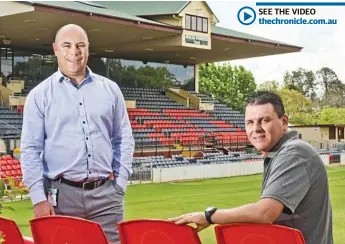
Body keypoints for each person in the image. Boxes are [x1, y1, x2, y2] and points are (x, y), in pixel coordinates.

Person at [168, 91, 333, 244]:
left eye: (265, 120)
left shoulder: (293, 152)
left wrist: (209, 216)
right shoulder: (280, 152)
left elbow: (264, 213)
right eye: (250, 122)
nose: (256, 129)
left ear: (284, 122)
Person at [20, 24, 135, 243]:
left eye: (80, 45)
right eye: (67, 45)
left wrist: (119, 184)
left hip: (106, 196)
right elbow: (30, 150)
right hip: (60, 198)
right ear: (56, 49)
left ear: (88, 48)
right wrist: (38, 200)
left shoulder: (110, 90)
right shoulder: (39, 96)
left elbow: (123, 138)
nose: (75, 51)